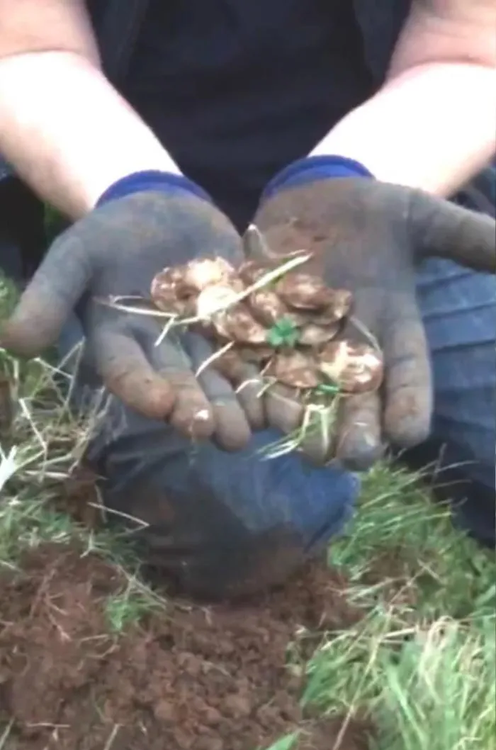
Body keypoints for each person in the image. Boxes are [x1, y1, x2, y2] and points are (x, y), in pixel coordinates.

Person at [0, 0, 494, 598]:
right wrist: (140, 191)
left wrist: (342, 179)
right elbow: (26, 48)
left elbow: (470, 52)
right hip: (126, 203)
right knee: (246, 520)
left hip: (383, 189)